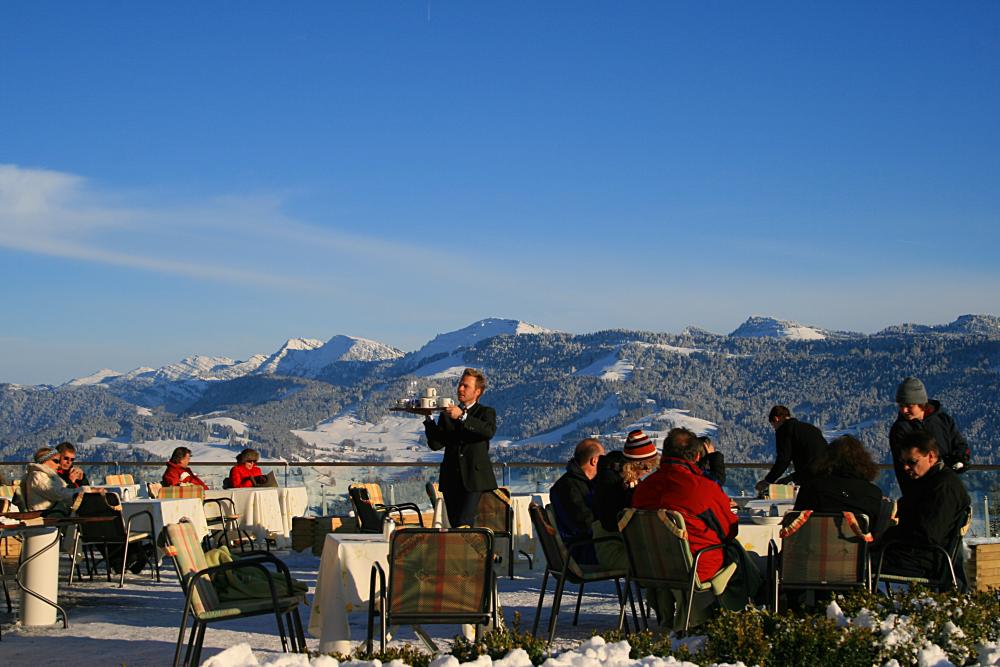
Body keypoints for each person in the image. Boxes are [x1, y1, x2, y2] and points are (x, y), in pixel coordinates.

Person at [633, 427, 761, 623]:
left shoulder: (644, 488)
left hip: (652, 566)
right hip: (696, 566)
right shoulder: (702, 488)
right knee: (736, 551)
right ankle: (750, 605)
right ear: (697, 456)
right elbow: (729, 530)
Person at [876, 431, 971, 588]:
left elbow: (928, 533)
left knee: (858, 562)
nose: (906, 467)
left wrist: (888, 535)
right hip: (917, 554)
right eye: (903, 462)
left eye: (912, 462)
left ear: (931, 456)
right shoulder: (931, 482)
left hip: (922, 559)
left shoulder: (943, 488)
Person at [423, 368, 498, 527]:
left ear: (477, 391)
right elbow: (436, 444)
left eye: (465, 386)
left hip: (475, 480)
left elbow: (487, 431)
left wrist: (463, 417)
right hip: (451, 480)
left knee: (465, 523)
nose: (460, 389)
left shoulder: (485, 412)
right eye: (459, 385)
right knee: (456, 525)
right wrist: (428, 418)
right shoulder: (446, 414)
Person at [793, 435, 892, 536]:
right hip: (857, 550)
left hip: (811, 549)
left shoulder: (811, 487)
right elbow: (875, 532)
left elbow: (794, 523)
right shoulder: (873, 493)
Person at [889, 377, 970, 494]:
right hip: (922, 491)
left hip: (950, 486)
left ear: (921, 404)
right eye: (901, 406)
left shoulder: (943, 420)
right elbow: (903, 467)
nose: (904, 410)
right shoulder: (900, 429)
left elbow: (960, 444)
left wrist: (960, 459)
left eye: (909, 406)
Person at [591, 429, 659, 570]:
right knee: (660, 564)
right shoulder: (611, 482)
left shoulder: (626, 479)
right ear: (634, 465)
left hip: (624, 544)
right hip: (613, 548)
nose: (648, 471)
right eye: (647, 468)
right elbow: (611, 523)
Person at [550, 438, 604, 564]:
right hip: (583, 550)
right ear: (594, 461)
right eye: (603, 460)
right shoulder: (567, 488)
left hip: (583, 546)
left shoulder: (580, 484)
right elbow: (585, 524)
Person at [755, 405, 827, 496]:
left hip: (809, 475)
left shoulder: (784, 430)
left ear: (776, 419)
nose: (774, 428)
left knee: (782, 486)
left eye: (773, 425)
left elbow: (783, 459)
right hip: (826, 472)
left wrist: (768, 480)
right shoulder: (811, 428)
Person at [21, 447, 96, 516]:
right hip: (47, 517)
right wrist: (86, 490)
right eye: (56, 461)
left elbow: (61, 493)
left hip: (54, 513)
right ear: (44, 461)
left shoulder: (46, 476)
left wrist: (82, 480)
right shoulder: (38, 477)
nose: (59, 465)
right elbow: (59, 494)